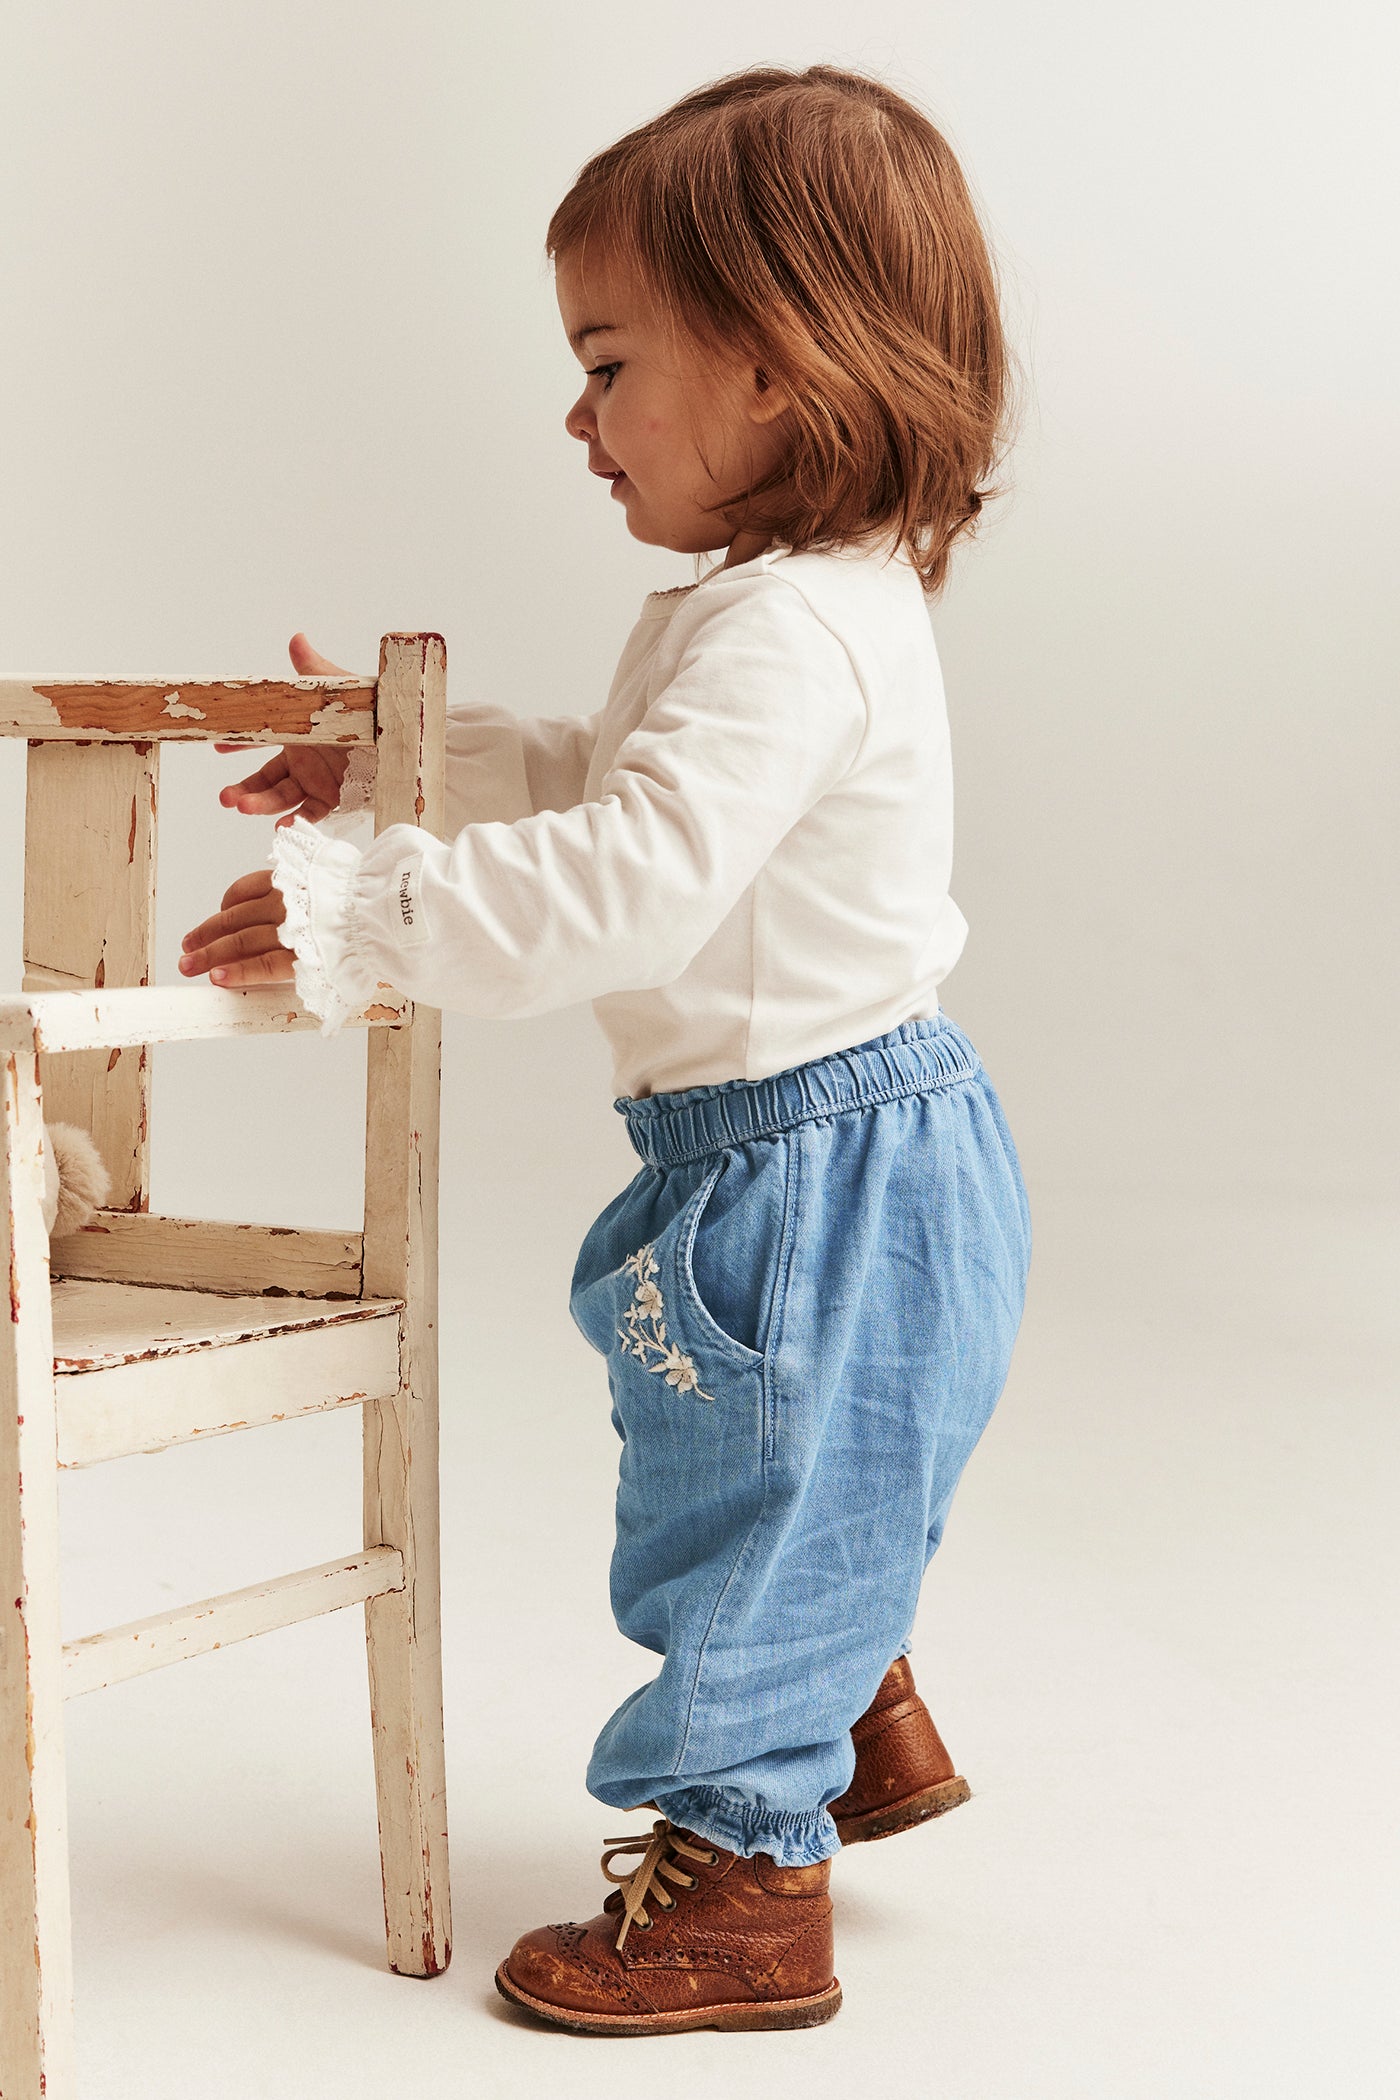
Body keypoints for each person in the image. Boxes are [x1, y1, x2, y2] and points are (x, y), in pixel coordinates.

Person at [179, 63, 1033, 2037]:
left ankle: (740, 1884)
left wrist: (360, 915)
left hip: (817, 1170)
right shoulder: (769, 611)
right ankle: (845, 1705)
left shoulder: (783, 633)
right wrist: (413, 763)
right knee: (788, 1472)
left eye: (609, 361)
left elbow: (635, 883)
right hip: (816, 1150)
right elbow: (601, 777)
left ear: (777, 370)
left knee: (743, 1502)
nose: (576, 417)